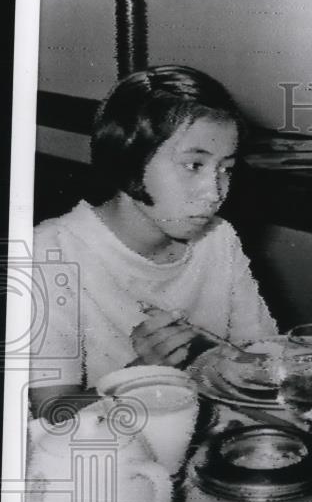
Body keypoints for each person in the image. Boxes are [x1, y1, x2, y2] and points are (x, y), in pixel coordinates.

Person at [29, 65, 278, 418]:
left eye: (226, 169)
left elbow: (262, 357)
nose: (214, 193)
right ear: (129, 158)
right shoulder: (50, 253)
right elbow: (53, 415)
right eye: (194, 165)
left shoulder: (219, 237)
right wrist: (140, 373)